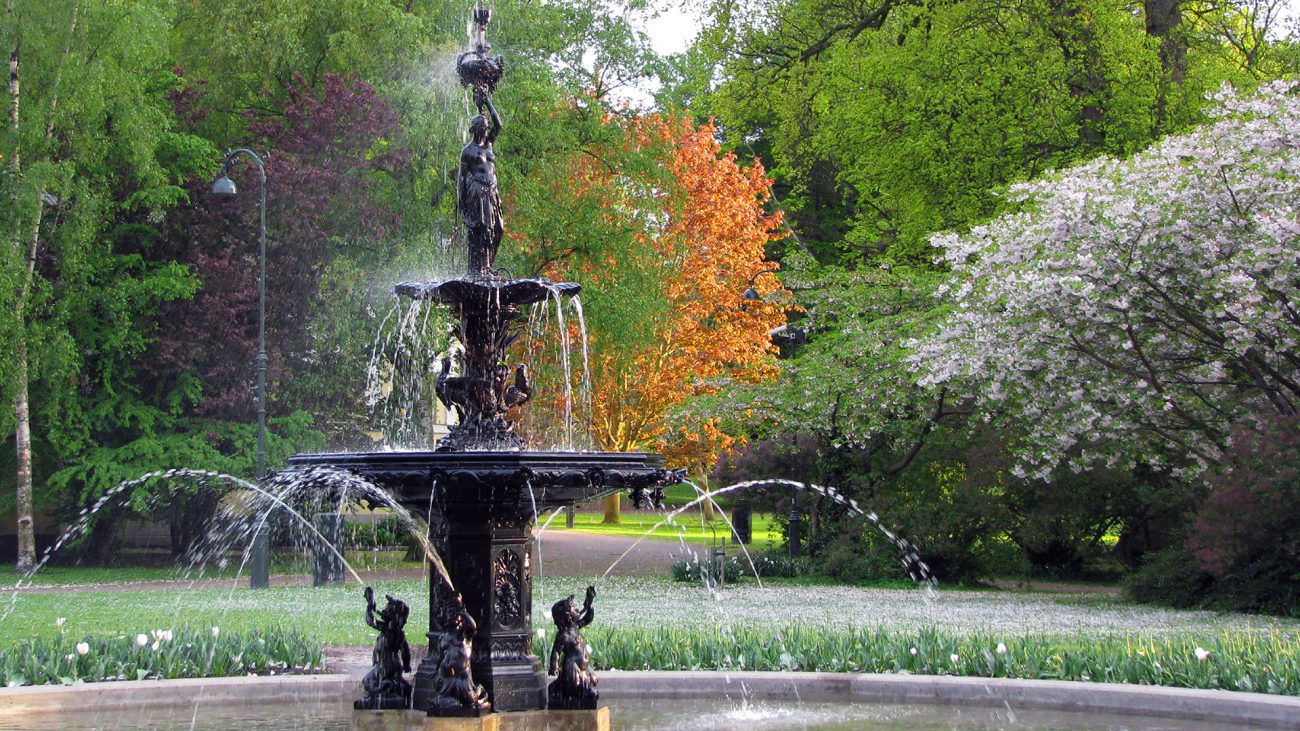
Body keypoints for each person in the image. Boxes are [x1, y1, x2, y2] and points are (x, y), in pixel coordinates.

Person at [459, 89, 503, 275]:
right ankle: (478, 269)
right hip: (476, 192)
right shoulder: (468, 151)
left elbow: (499, 125)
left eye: (487, 126)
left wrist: (487, 102)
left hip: (492, 192)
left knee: (499, 229)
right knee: (481, 229)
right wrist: (462, 205)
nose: (487, 129)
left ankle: (488, 266)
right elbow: (462, 178)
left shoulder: (489, 144)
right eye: (484, 126)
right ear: (476, 128)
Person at [548, 585, 599, 710]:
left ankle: (581, 694)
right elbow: (556, 651)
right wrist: (554, 666)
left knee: (587, 685)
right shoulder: (564, 635)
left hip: (583, 668)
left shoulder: (575, 627)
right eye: (574, 609)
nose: (577, 609)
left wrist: (589, 603)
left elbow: (587, 619)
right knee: (577, 687)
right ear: (567, 616)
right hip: (572, 668)